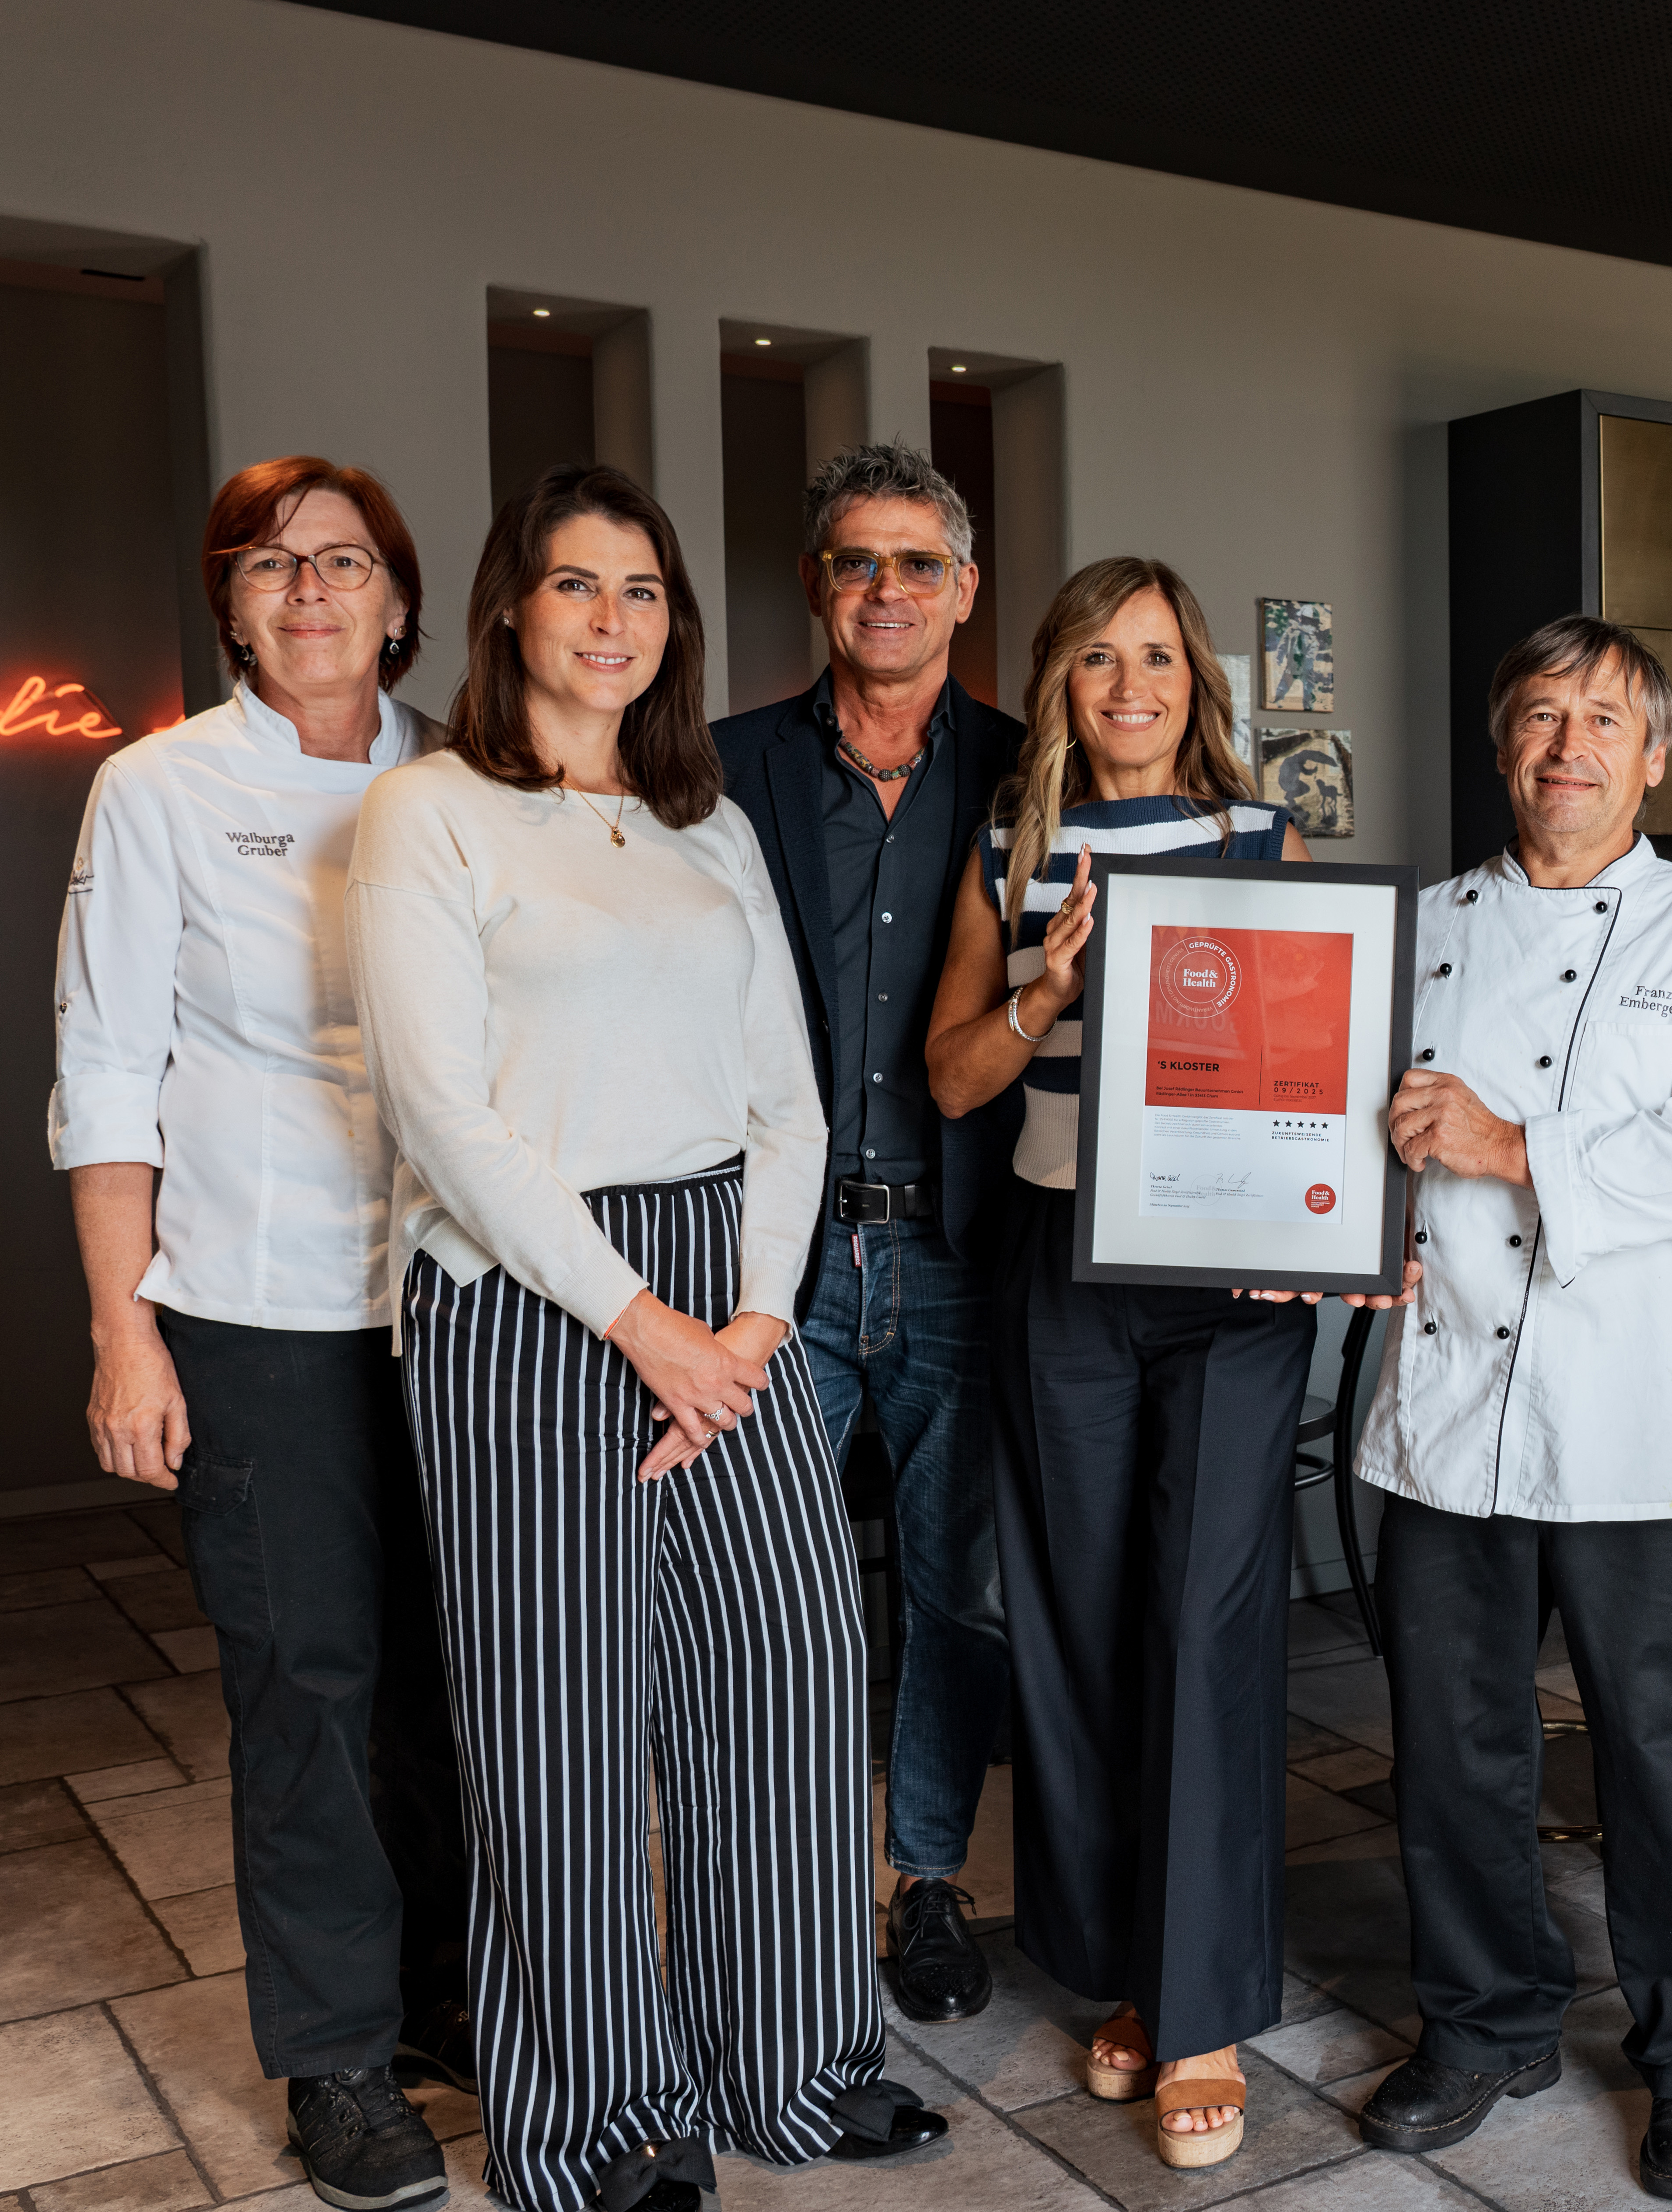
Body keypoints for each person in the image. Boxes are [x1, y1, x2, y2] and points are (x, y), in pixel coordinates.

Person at [347, 463, 943, 2212]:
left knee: (789, 1671)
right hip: (526, 1295)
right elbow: (442, 1115)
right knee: (563, 1721)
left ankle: (796, 2060)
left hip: (730, 1285)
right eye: (577, 585)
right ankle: (605, 2117)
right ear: (510, 608)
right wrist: (644, 1325)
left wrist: (753, 1320)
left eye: (645, 591)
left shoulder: (708, 821)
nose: (612, 620)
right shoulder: (429, 811)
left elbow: (790, 1092)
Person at [51, 455, 469, 2212]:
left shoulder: (471, 775)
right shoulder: (157, 788)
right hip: (255, 1303)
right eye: (272, 564)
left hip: (462, 1298)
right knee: (308, 1683)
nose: (311, 589)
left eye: (345, 560)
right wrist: (122, 1332)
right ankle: (338, 2055)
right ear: (231, 604)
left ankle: (453, 1993)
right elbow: (104, 1073)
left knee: (464, 1672)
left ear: (399, 596)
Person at [1350, 617, 1672, 2203]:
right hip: (1444, 1408)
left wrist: (1509, 1145)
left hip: (1642, 1414)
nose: (1568, 744)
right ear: (1499, 742)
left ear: (1655, 754)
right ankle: (1484, 2021)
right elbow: (1336, 1132)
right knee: (1454, 1747)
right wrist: (1332, 1242)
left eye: (1603, 719)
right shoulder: (1410, 929)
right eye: (1539, 715)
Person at [923, 556, 1315, 2170]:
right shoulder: (1007, 852)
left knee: (1204, 1621)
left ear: (1194, 677)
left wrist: (1307, 1234)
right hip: (1062, 1268)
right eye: (1098, 659)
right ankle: (1129, 1973)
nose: (1130, 684)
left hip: (1230, 1285)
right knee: (1078, 1622)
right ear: (1061, 684)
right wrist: (1044, 988)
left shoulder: (1259, 844)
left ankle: (1202, 2001)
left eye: (1156, 656)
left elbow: (1313, 1073)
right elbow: (953, 1081)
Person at [710, 442, 1026, 2026]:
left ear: (966, 589)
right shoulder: (714, 766)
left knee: (957, 1590)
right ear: (817, 587)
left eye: (918, 562)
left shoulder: (1034, 771)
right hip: (778, 1262)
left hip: (962, 1253)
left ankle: (926, 1881)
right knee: (769, 1590)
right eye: (856, 561)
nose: (886, 589)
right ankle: (774, 1889)